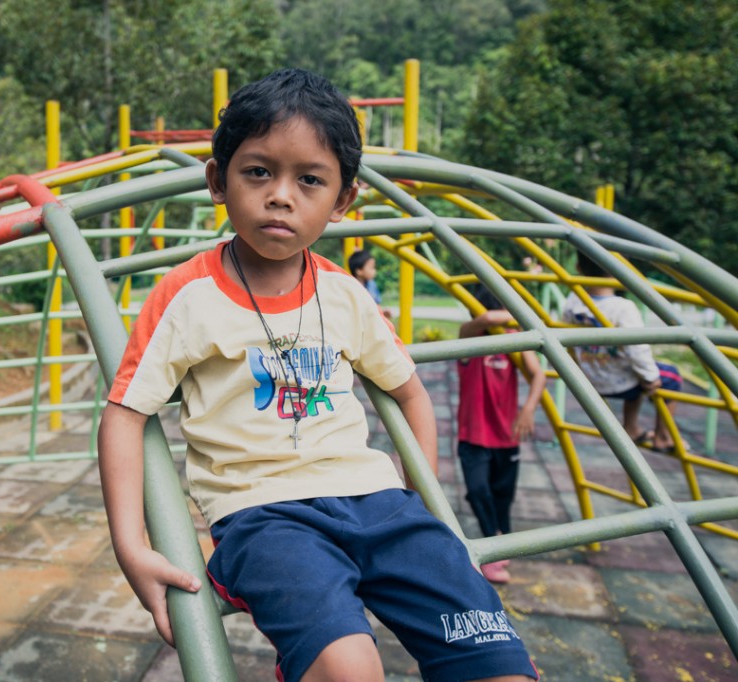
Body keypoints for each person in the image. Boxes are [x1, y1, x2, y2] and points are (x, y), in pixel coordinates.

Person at [98, 68, 537, 682]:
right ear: (217, 181)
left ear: (343, 200)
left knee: (498, 663)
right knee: (348, 667)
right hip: (265, 516)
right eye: (258, 172)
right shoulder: (188, 296)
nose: (282, 195)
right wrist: (132, 546)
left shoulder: (345, 294)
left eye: (309, 180)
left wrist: (420, 497)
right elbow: (125, 413)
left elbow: (408, 391)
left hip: (379, 504)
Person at [457, 285, 546, 584]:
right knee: (478, 489)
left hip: (506, 434)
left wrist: (528, 409)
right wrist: (516, 317)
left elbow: (539, 375)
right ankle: (492, 548)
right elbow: (484, 320)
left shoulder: (513, 342)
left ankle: (500, 543)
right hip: (474, 434)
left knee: (503, 496)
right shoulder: (469, 338)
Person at [561, 252, 685, 453]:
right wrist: (650, 378)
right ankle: (663, 436)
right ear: (619, 269)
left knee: (630, 367)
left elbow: (565, 334)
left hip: (590, 378)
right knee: (671, 376)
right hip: (621, 380)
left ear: (578, 268)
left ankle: (632, 428)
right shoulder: (623, 307)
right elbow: (637, 348)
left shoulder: (574, 300)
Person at [348, 249, 392, 319]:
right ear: (359, 271)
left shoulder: (371, 285)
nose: (374, 271)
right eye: (372, 268)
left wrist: (382, 313)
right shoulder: (351, 287)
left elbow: (376, 305)